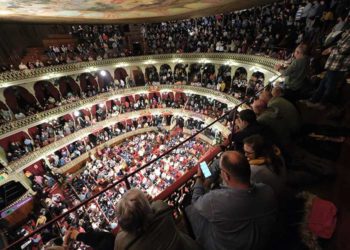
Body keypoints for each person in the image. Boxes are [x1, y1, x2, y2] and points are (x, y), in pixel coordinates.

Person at [186, 151, 277, 250]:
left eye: (221, 171)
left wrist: (199, 178)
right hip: (261, 241)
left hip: (224, 245)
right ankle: (208, 180)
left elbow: (195, 200)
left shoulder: (215, 200)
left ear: (225, 175)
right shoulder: (267, 190)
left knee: (189, 206)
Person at [243, 134, 286, 198]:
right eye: (244, 151)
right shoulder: (277, 156)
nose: (245, 155)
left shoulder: (255, 171)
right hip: (282, 190)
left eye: (248, 153)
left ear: (260, 152)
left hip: (273, 199)